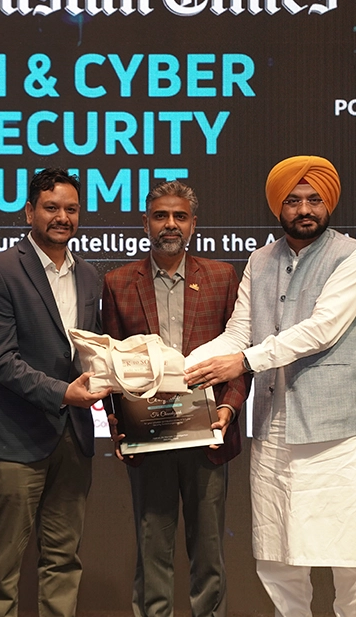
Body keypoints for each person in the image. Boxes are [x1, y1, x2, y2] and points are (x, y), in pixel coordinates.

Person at [184, 156, 356, 617]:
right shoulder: (260, 260)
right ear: (278, 207)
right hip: (275, 429)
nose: (304, 209)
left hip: (337, 433)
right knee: (278, 561)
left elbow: (322, 330)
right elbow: (239, 332)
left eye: (314, 199)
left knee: (351, 565)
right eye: (293, 201)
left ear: (328, 203)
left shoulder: (354, 257)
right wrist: (175, 366)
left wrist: (244, 361)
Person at [101, 181, 248, 617]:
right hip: (149, 436)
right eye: (161, 216)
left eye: (179, 216)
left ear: (193, 224)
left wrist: (229, 408)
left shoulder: (221, 277)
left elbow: (240, 354)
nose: (170, 224)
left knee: (209, 552)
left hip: (209, 433)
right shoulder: (118, 283)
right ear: (145, 223)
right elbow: (111, 365)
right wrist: (118, 425)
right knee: (152, 550)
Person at [0, 168, 105, 617]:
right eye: (51, 207)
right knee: (3, 564)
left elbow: (90, 350)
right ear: (29, 212)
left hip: (74, 437)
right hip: (14, 439)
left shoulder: (90, 276)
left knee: (64, 559)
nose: (62, 217)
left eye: (71, 209)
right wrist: (63, 393)